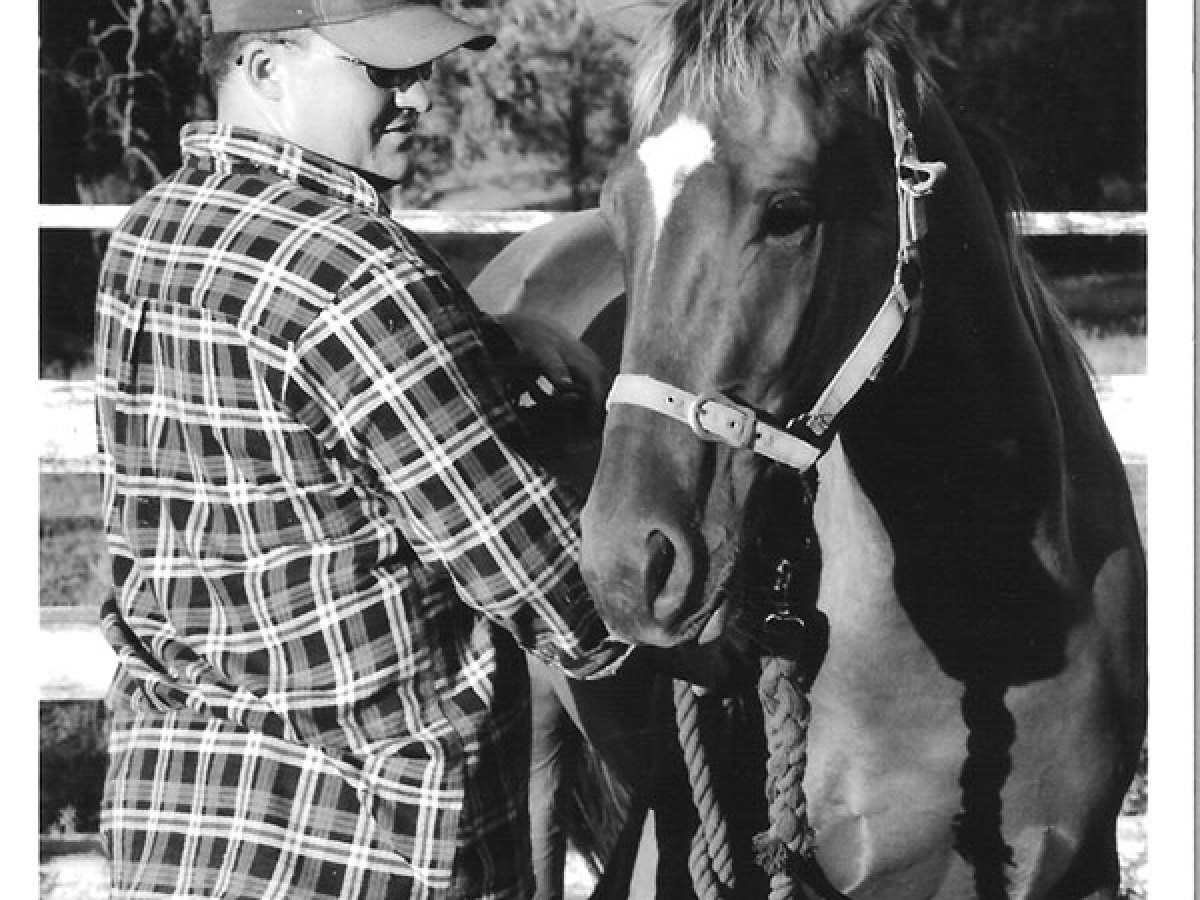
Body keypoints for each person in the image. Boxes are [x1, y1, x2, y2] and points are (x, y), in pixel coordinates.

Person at [92, 2, 632, 898]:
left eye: (423, 69)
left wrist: (491, 337)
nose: (420, 97)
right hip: (370, 838)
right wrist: (721, 641)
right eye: (385, 72)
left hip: (182, 813)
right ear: (266, 70)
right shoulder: (357, 267)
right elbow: (533, 568)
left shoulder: (151, 233)